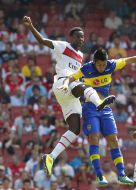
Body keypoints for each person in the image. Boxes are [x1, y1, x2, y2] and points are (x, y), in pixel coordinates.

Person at [22, 16, 115, 177]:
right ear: (71, 37)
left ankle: (50, 157)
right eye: (78, 36)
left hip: (70, 94)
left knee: (75, 129)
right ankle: (99, 103)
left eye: (83, 37)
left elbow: (79, 76)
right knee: (85, 87)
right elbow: (43, 41)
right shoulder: (63, 46)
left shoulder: (80, 56)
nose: (81, 39)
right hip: (62, 83)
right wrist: (30, 26)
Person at [59, 48, 136, 186]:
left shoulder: (111, 65)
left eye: (103, 65)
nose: (102, 67)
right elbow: (71, 77)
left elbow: (131, 59)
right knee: (94, 137)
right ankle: (99, 174)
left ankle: (121, 174)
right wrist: (64, 84)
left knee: (113, 140)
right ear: (94, 62)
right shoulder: (86, 69)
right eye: (99, 65)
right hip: (90, 108)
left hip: (105, 109)